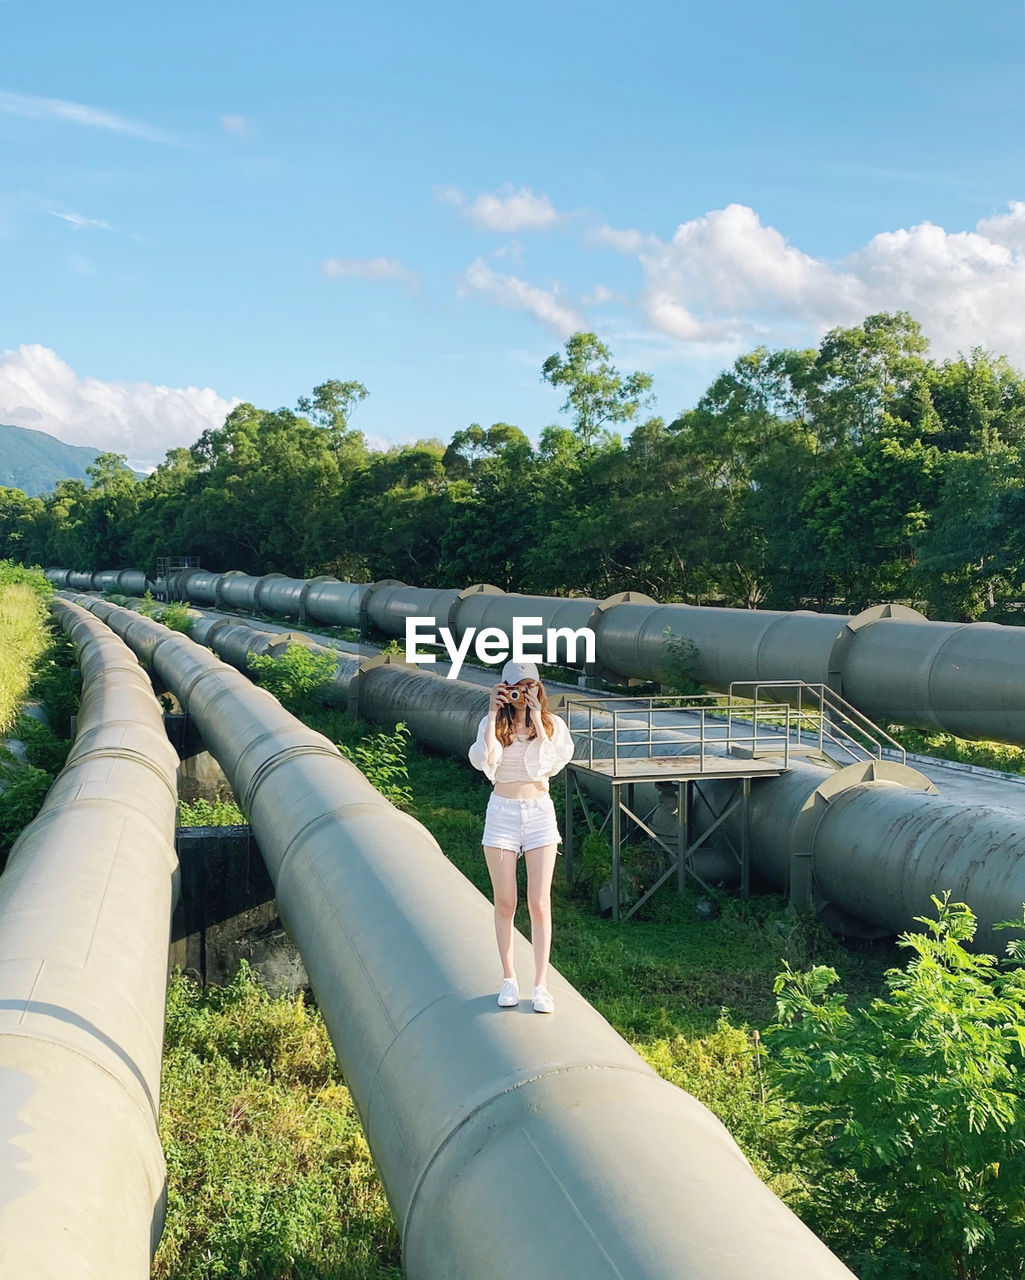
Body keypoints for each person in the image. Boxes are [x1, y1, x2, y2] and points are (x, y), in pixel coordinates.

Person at [468, 659, 576, 1013]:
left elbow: (551, 765)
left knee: (540, 902)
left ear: (538, 688)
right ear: (503, 688)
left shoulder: (552, 725)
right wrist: (491, 710)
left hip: (539, 813)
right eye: (514, 687)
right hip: (502, 812)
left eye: (528, 686)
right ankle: (509, 978)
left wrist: (538, 724)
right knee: (506, 902)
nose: (520, 694)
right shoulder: (492, 723)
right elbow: (485, 763)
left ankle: (541, 984)